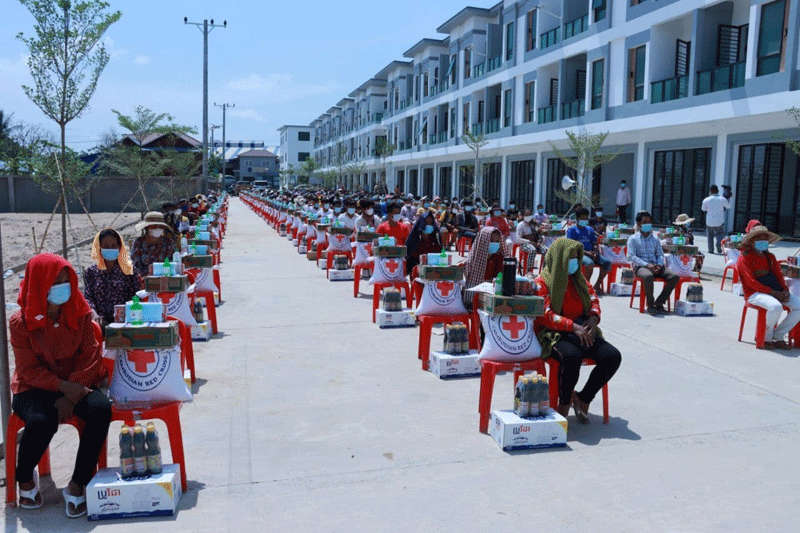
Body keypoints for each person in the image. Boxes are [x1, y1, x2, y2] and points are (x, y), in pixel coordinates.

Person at [10, 254, 111, 517]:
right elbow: (28, 370)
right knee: (42, 421)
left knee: (101, 410)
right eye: (55, 282)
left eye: (66, 280)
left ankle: (78, 484)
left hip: (76, 382)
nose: (62, 287)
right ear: (39, 284)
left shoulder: (80, 312)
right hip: (34, 387)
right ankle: (24, 478)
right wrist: (63, 388)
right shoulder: (21, 322)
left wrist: (70, 394)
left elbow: (91, 355)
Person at [533, 238, 622, 423]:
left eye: (576, 257)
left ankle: (583, 398)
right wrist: (572, 326)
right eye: (570, 257)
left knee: (612, 356)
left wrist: (593, 318)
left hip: (582, 329)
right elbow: (545, 315)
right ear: (559, 258)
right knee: (571, 356)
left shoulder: (580, 280)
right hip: (555, 333)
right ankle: (564, 402)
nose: (574, 262)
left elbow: (594, 301)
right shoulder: (542, 282)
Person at [736, 224, 800, 349]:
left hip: (775, 290)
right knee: (776, 307)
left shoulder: (770, 257)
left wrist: (785, 290)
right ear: (751, 241)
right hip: (754, 293)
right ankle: (766, 337)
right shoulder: (744, 257)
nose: (762, 240)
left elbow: (779, 276)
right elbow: (751, 282)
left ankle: (778, 334)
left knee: (799, 306)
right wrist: (773, 293)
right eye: (758, 237)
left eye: (764, 238)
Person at [83, 229, 141, 327]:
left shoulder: (129, 271)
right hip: (99, 323)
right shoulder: (91, 272)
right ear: (99, 248)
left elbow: (136, 296)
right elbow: (88, 297)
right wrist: (93, 313)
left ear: (119, 247)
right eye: (106, 246)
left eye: (113, 246)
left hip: (125, 322)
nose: (110, 249)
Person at [626, 211, 679, 315]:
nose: (647, 224)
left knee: (674, 277)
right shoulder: (633, 239)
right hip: (641, 267)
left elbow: (660, 254)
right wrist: (647, 265)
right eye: (645, 222)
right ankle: (650, 305)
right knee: (648, 276)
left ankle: (659, 302)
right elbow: (631, 256)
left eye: (649, 222)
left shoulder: (655, 239)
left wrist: (659, 265)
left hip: (656, 266)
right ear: (639, 223)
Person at [567, 207, 611, 295]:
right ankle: (585, 286)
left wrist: (595, 250)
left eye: (586, 218)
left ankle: (597, 285)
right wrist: (588, 253)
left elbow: (594, 242)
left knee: (607, 263)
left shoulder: (589, 229)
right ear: (577, 218)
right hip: (580, 254)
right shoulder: (572, 230)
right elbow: (572, 246)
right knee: (589, 263)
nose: (585, 220)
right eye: (582, 218)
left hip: (591, 253)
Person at [463, 227, 511, 297]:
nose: (494, 243)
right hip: (472, 294)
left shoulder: (499, 258)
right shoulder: (473, 260)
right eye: (491, 240)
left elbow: (500, 277)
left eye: (497, 241)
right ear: (483, 241)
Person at [130, 212, 176, 278]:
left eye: (160, 227)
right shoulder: (138, 243)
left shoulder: (168, 243)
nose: (157, 229)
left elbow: (173, 264)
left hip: (165, 278)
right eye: (153, 227)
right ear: (146, 228)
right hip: (144, 279)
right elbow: (135, 266)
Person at [701, 184, 731, 254]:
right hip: (719, 221)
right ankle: (719, 246)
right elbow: (728, 206)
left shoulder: (706, 199)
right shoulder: (722, 199)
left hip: (709, 221)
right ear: (718, 191)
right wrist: (729, 198)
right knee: (720, 234)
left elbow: (703, 209)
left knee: (710, 235)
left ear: (710, 191)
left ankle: (710, 249)